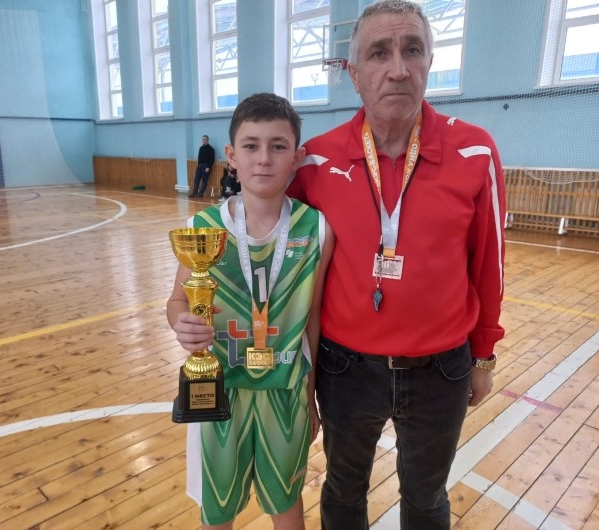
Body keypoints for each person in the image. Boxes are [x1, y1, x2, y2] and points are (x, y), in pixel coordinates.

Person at [286, 2, 506, 529]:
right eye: (379, 53)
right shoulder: (315, 160)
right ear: (354, 73)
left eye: (412, 50)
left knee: (426, 499)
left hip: (441, 369)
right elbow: (280, 258)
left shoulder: (475, 151)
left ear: (430, 61)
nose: (399, 69)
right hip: (344, 368)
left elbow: (489, 264)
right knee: (343, 491)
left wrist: (483, 355)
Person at [167, 92, 335, 529]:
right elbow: (178, 300)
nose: (263, 158)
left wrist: (312, 397)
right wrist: (182, 324)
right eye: (251, 145)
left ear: (296, 157)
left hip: (287, 393)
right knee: (218, 510)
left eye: (278, 146)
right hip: (219, 394)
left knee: (286, 504)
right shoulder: (202, 229)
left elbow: (313, 321)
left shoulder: (316, 228)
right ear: (231, 155)